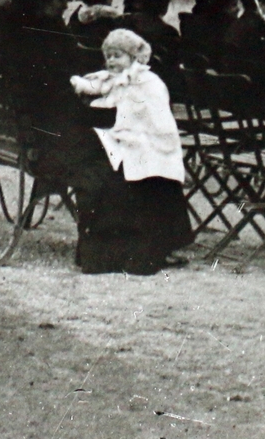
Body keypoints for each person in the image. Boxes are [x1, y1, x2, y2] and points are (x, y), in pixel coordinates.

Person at [64, 29, 195, 274]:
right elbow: (94, 87)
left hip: (149, 141)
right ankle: (127, 249)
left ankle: (160, 244)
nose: (112, 61)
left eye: (118, 56)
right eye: (109, 56)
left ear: (134, 58)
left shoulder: (148, 83)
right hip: (125, 141)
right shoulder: (113, 79)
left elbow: (158, 123)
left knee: (153, 172)